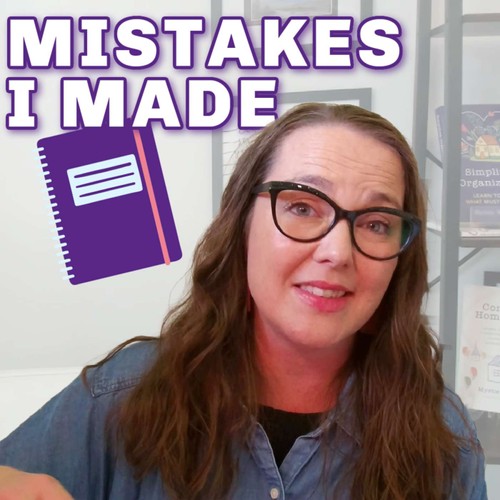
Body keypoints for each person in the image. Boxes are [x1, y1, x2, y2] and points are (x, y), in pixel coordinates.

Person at [0, 103, 487, 499]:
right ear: (241, 225)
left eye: (377, 223)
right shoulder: (118, 399)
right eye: (302, 207)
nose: (338, 252)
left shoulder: (445, 439)